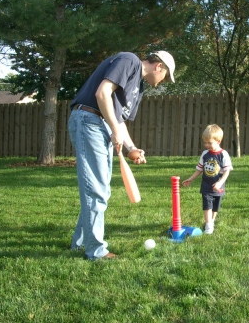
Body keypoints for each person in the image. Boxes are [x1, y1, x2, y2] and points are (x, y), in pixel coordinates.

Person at [68, 51, 175, 260]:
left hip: (102, 125)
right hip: (89, 120)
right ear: (159, 67)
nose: (163, 82)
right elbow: (102, 93)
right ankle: (96, 251)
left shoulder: (138, 86)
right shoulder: (130, 61)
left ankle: (80, 243)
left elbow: (119, 120)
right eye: (166, 77)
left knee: (101, 190)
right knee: (96, 190)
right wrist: (115, 131)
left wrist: (131, 148)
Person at [182, 124, 233, 234]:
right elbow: (199, 169)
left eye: (209, 142)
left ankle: (212, 221)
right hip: (206, 185)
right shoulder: (205, 154)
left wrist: (219, 183)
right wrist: (190, 179)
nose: (206, 145)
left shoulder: (223, 155)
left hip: (218, 187)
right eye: (205, 142)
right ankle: (208, 226)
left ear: (218, 141)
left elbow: (226, 171)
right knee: (207, 205)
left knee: (215, 207)